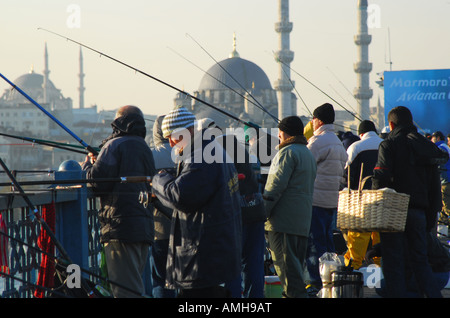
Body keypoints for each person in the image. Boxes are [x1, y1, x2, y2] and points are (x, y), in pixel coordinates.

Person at [151, 106, 242, 298]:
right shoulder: (212, 149)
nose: (170, 142)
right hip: (216, 248)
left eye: (173, 136)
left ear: (189, 131)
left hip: (203, 253)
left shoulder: (201, 156)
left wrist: (158, 179)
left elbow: (180, 196)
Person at [372, 106, 448, 298]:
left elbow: (381, 178)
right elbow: (433, 186)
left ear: (391, 125)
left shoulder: (388, 145)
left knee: (393, 263)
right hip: (420, 213)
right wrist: (431, 216)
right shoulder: (425, 146)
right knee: (420, 262)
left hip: (394, 212)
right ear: (411, 122)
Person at [81, 105, 156, 298]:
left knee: (126, 292)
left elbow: (97, 183)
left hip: (121, 228)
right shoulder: (144, 147)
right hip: (143, 227)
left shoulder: (113, 146)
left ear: (118, 122)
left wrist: (89, 165)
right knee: (135, 285)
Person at [263, 116, 317, 298]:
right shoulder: (307, 153)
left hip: (283, 222)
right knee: (296, 271)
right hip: (301, 222)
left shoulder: (287, 152)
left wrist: (262, 213)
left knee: (287, 272)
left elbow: (274, 187)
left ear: (283, 133)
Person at [305, 103, 348, 295]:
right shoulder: (338, 142)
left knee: (315, 244)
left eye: (313, 119)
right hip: (332, 201)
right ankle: (331, 281)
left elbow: (304, 166)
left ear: (318, 120)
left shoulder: (317, 142)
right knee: (329, 244)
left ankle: (316, 282)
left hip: (316, 200)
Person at [343, 120, 383, 270]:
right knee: (379, 236)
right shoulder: (384, 144)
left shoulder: (355, 147)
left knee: (358, 236)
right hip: (382, 199)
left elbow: (347, 174)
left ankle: (354, 268)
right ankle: (379, 269)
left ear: (361, 134)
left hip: (361, 201)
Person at [149, 115, 177, 298]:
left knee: (161, 278)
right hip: (187, 226)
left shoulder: (151, 155)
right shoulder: (188, 153)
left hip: (160, 228)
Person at [431, 131, 450, 226]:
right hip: (446, 180)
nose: (431, 140)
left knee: (447, 207)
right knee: (443, 209)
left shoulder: (440, 147)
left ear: (438, 138)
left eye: (433, 138)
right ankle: (444, 227)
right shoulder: (445, 146)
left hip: (446, 181)